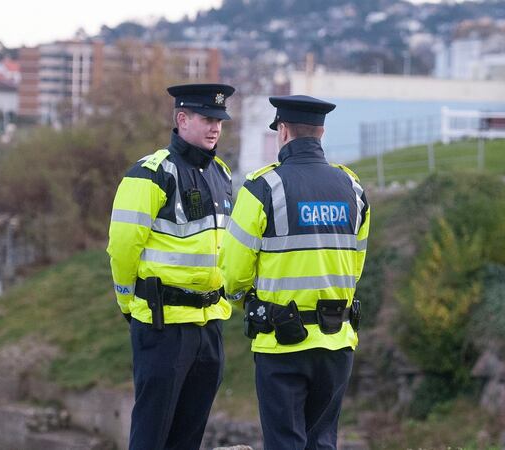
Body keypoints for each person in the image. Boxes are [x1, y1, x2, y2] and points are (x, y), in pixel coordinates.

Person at [219, 94, 370, 450]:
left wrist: (244, 301)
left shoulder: (262, 187)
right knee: (322, 442)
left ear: (282, 132)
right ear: (320, 133)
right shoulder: (352, 188)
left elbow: (234, 273)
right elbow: (356, 264)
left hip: (282, 343)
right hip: (337, 342)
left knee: (285, 442)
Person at [107, 83, 236, 450]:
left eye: (220, 121)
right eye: (207, 119)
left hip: (209, 326)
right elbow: (122, 247)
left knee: (189, 436)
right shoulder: (149, 174)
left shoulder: (222, 174)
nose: (216, 127)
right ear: (182, 119)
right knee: (152, 434)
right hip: (164, 326)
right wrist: (127, 301)